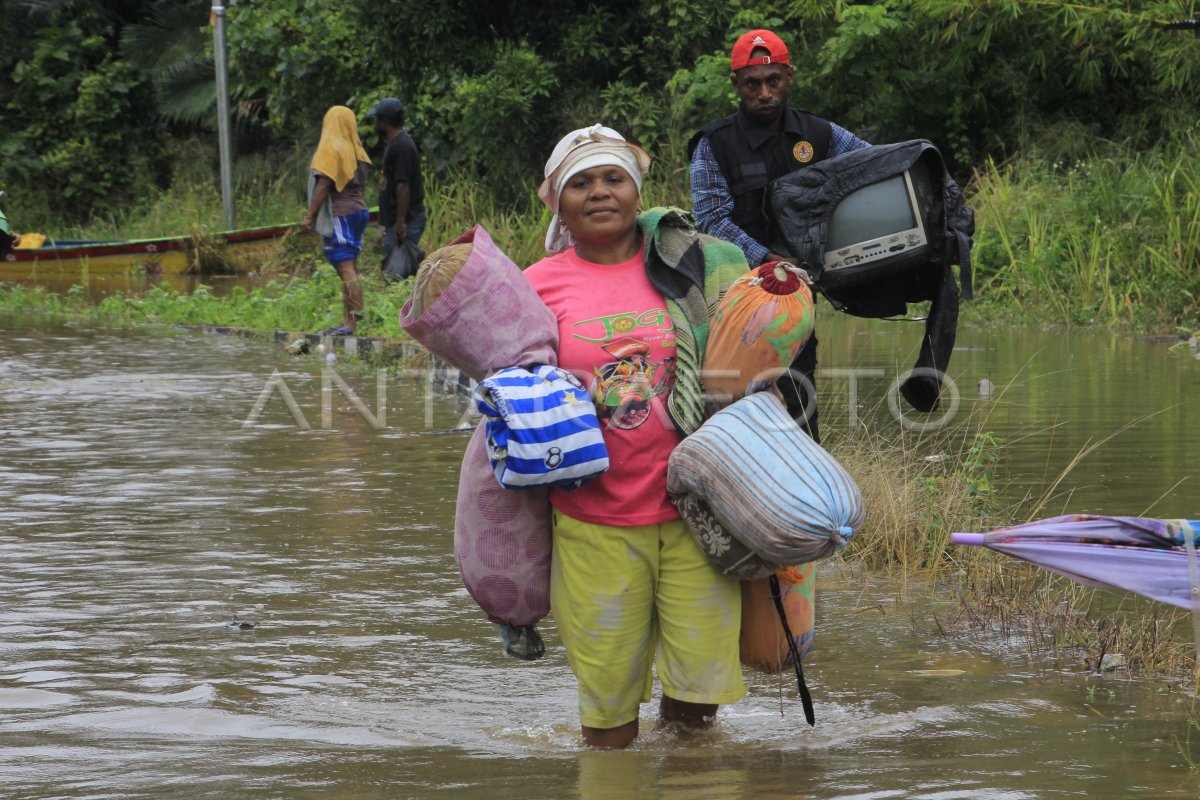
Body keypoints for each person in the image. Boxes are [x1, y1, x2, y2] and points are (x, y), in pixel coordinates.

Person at [524, 125, 745, 750]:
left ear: (636, 189)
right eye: (581, 182)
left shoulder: (684, 265)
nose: (599, 192)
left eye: (613, 178)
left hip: (694, 514)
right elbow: (507, 388)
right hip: (594, 518)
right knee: (608, 715)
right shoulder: (537, 284)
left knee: (697, 707)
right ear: (557, 202)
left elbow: (744, 350)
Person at [689, 29, 871, 443]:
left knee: (799, 399)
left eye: (773, 80)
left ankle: (809, 495)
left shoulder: (820, 133)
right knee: (733, 404)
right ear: (736, 85)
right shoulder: (714, 144)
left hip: (797, 301)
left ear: (789, 78)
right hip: (732, 300)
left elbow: (873, 166)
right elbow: (712, 220)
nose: (764, 93)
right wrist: (769, 260)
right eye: (752, 84)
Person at [302, 105, 371, 336]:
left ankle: (352, 323)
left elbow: (324, 184)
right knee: (350, 267)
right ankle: (347, 319)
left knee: (345, 268)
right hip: (359, 212)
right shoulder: (356, 150)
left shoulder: (331, 149)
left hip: (342, 214)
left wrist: (309, 215)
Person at [369, 97, 426, 255]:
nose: (375, 123)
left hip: (407, 221)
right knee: (398, 270)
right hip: (397, 222)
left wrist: (400, 222)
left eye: (377, 119)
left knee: (396, 273)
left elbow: (403, 185)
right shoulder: (395, 143)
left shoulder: (402, 147)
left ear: (385, 121)